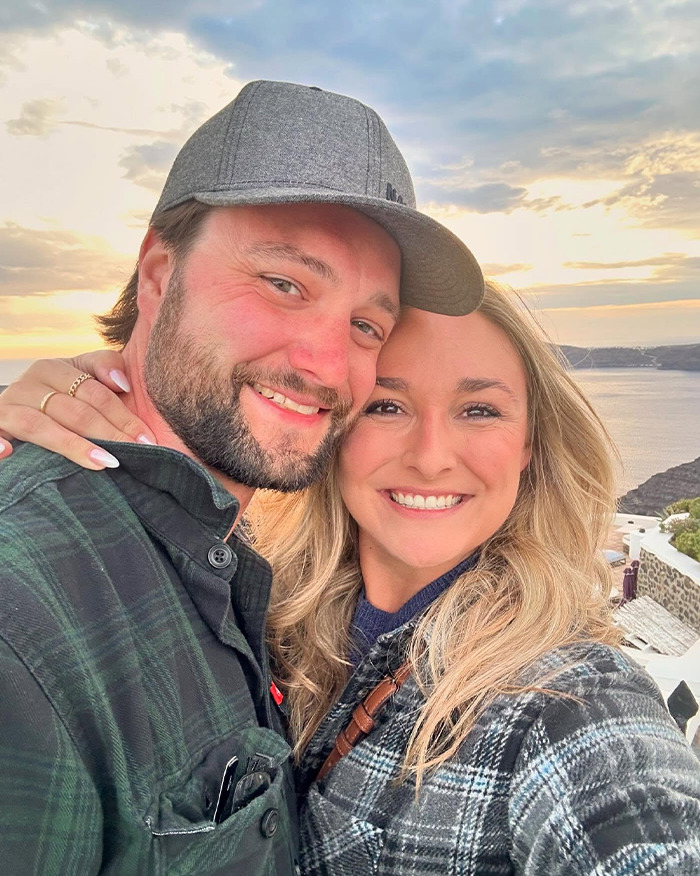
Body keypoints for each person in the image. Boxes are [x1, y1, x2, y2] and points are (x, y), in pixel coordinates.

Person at [5, 283, 700, 874]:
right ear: (329, 428)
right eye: (386, 406)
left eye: (479, 409)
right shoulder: (252, 607)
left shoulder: (568, 702)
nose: (430, 457)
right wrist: (68, 410)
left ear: (529, 448)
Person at [0, 79, 483, 875]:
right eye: (285, 284)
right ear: (158, 274)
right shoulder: (25, 620)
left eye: (367, 325)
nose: (328, 365)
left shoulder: (229, 562)